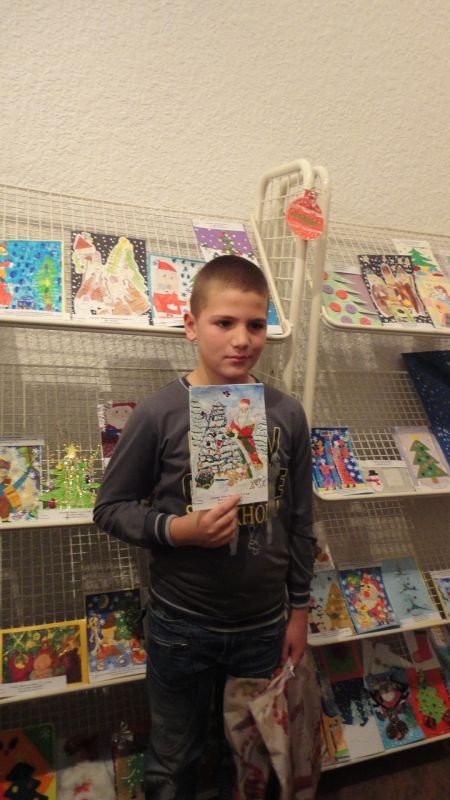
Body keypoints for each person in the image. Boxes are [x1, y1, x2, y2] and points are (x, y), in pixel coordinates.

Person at [93, 254, 315, 800]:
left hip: (263, 624)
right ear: (191, 325)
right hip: (182, 623)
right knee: (174, 757)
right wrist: (178, 530)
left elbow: (299, 519)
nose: (241, 339)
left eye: (255, 325)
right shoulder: (159, 412)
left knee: (251, 755)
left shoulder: (286, 414)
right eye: (224, 322)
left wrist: (299, 611)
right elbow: (110, 507)